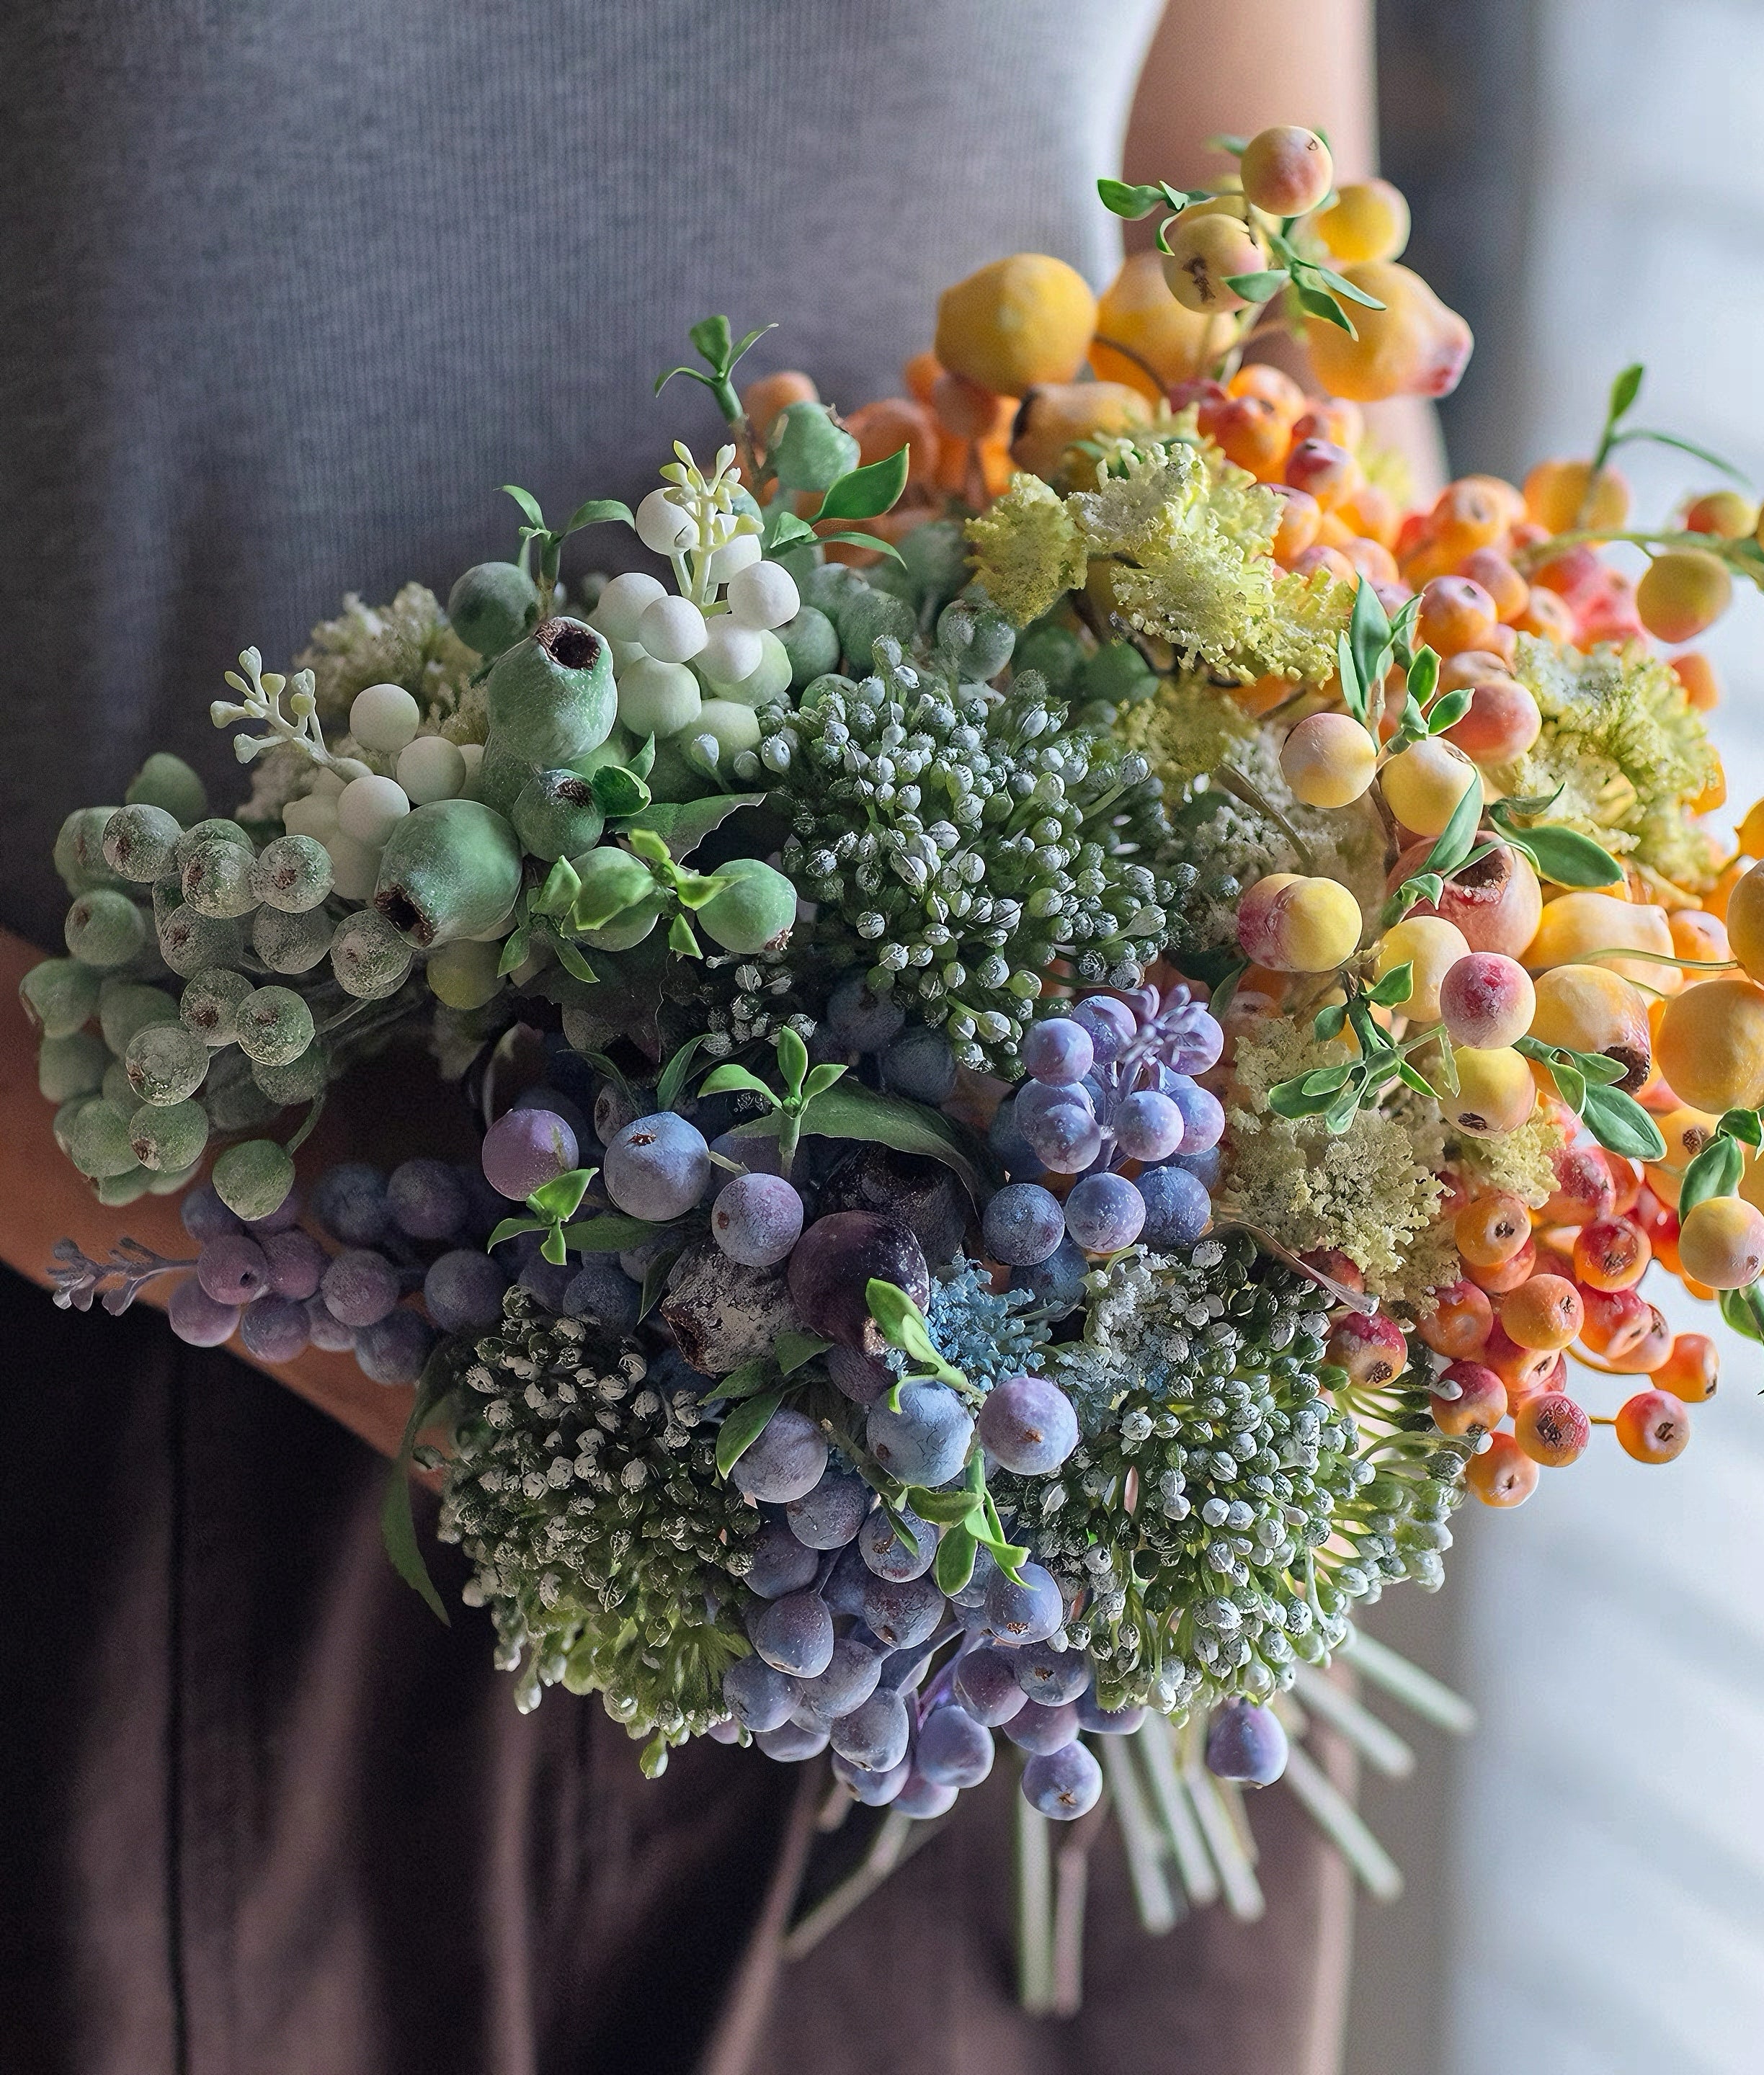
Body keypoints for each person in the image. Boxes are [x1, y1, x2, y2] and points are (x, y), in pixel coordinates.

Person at [0, 6, 1410, 2069]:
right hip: (142, 1455)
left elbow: (1312, 368)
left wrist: (1414, 1120)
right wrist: (493, 1388)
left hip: (1037, 1481)